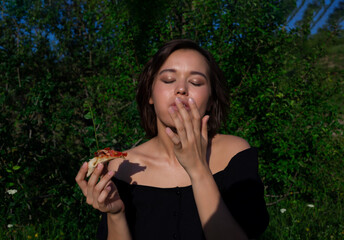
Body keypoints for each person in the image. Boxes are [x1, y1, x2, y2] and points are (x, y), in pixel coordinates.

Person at [75, 39, 269, 240]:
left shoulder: (234, 153)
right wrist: (115, 215)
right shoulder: (123, 167)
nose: (181, 89)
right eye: (168, 79)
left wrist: (198, 169)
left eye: (196, 82)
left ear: (211, 100)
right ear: (150, 93)